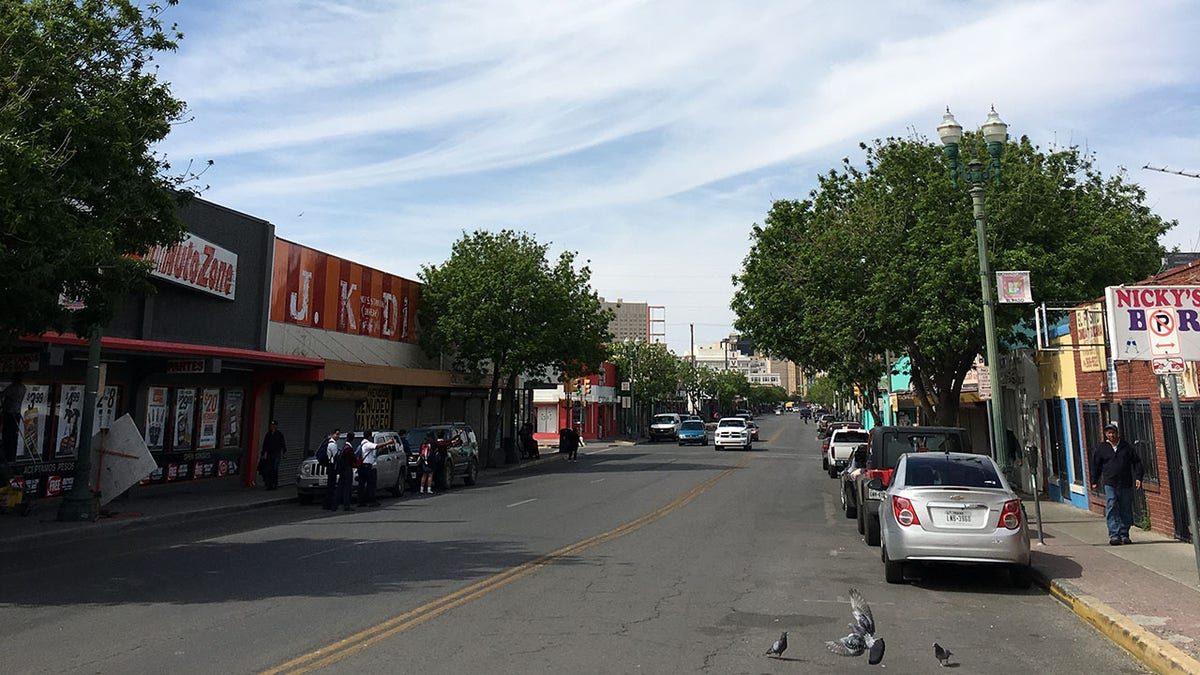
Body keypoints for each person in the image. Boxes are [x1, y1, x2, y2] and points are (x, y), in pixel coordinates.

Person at [1090, 422, 1144, 546]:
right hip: (1110, 482)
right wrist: (1094, 481)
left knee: (1125, 507)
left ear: (1117, 433)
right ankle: (1114, 535)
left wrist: (1138, 478)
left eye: (1113, 432)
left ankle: (1124, 534)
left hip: (1125, 482)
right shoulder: (1102, 448)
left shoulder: (1126, 447)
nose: (1111, 435)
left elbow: (1137, 462)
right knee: (1112, 505)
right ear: (1105, 434)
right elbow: (1096, 466)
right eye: (1109, 433)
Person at [355, 434, 395, 507]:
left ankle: (361, 501)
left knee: (362, 484)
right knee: (371, 484)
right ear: (369, 436)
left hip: (362, 466)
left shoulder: (362, 444)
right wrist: (388, 442)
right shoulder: (367, 444)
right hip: (367, 467)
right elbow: (377, 446)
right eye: (371, 437)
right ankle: (371, 501)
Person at [1, 373, 27, 467]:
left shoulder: (13, 388)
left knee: (7, 435)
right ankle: (11, 457)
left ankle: (7, 456)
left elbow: (3, 394)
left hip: (10, 413)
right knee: (13, 435)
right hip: (16, 413)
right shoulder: (23, 387)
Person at [259, 420, 286, 490]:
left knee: (275, 469)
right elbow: (265, 445)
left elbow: (283, 444)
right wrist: (263, 454)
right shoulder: (268, 434)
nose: (272, 426)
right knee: (269, 470)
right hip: (270, 454)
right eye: (271, 425)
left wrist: (283, 453)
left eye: (274, 425)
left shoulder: (279, 434)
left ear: (276, 426)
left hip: (277, 454)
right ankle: (269, 484)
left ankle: (274, 484)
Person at [334, 432, 357, 511]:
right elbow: (352, 458)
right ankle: (346, 505)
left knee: (340, 487)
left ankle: (336, 504)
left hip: (342, 469)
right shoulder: (348, 448)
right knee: (347, 487)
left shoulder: (344, 446)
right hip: (347, 468)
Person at [320, 429, 342, 511]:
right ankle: (329, 504)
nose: (338, 436)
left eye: (339, 434)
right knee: (331, 486)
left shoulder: (331, 443)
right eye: (337, 434)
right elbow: (336, 456)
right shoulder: (332, 444)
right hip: (332, 466)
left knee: (331, 485)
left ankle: (327, 503)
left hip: (331, 466)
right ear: (332, 434)